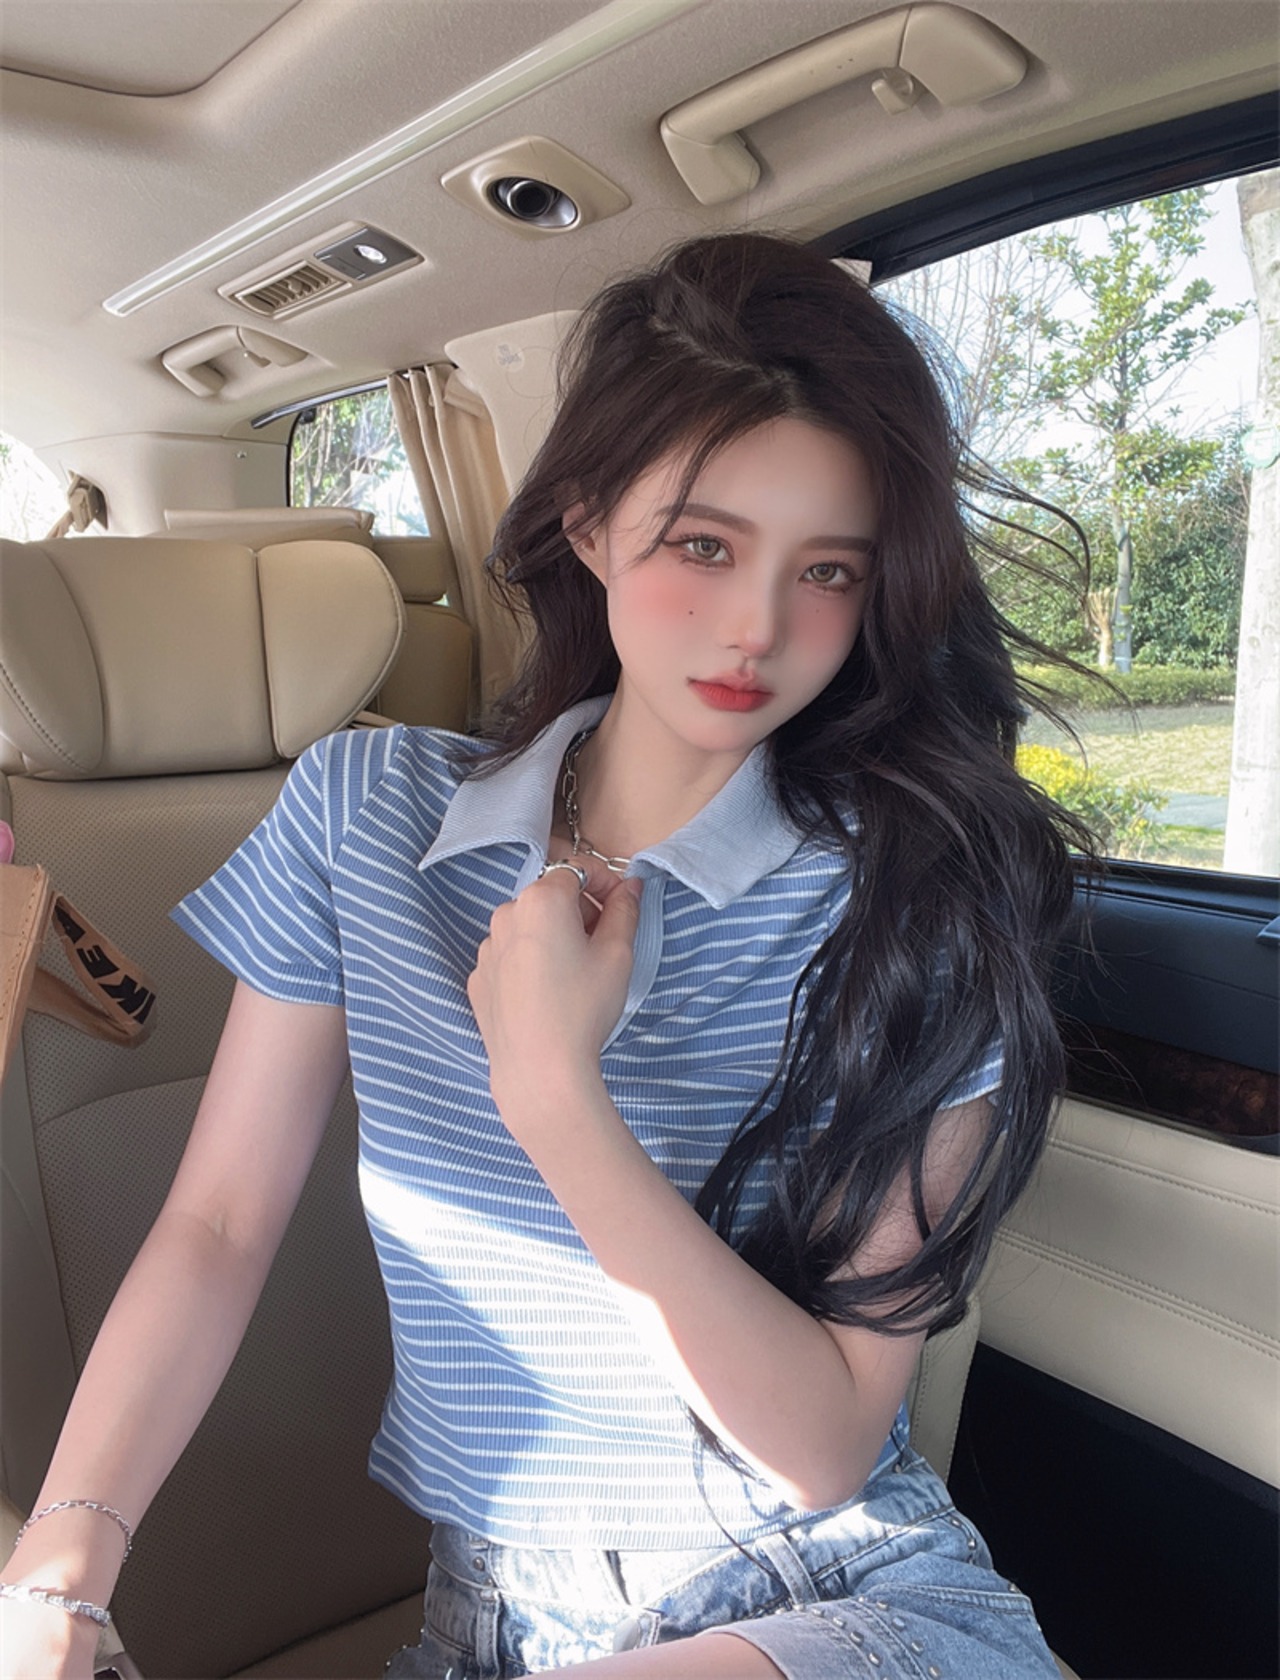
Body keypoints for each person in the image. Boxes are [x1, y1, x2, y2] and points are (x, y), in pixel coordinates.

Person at [0, 233, 1087, 1679]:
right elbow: (218, 1223)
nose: (758, 628)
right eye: (704, 545)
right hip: (492, 1620)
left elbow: (827, 1443)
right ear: (587, 523)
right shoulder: (366, 812)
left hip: (820, 1590)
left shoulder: (924, 899)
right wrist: (65, 1564)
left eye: (828, 571)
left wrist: (557, 1100)